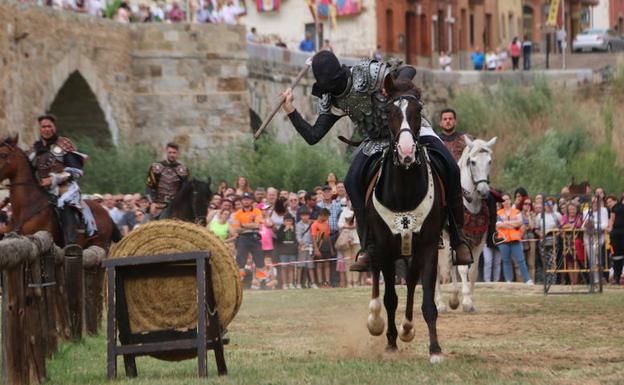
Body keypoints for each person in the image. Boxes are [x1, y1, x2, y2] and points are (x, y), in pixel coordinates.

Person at [280, 51, 473, 274]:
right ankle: (368, 246)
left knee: (449, 165)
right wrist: (290, 110)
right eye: (328, 86)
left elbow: (408, 69)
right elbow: (313, 136)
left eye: (334, 83)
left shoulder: (368, 73)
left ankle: (458, 239)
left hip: (409, 130)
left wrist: (392, 86)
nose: (332, 89)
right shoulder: (330, 98)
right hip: (376, 140)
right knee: (352, 182)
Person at [29, 114, 96, 246]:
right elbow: (28, 170)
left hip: (64, 188)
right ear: (40, 129)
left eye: (49, 126)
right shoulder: (34, 149)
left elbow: (76, 171)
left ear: (54, 127)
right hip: (41, 189)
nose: (46, 129)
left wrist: (54, 179)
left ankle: (71, 243)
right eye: (44, 126)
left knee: (65, 204)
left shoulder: (64, 144)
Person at [145, 142, 189, 219]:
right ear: (166, 152)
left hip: (175, 207)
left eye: (174, 153)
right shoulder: (156, 167)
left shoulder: (183, 170)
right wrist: (152, 203)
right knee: (144, 224)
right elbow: (149, 187)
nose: (172, 155)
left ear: (178, 153)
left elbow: (185, 190)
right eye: (170, 152)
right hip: (157, 205)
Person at [496, 193, 533, 284]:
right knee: (506, 261)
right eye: (503, 200)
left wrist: (506, 223)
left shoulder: (516, 211)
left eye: (507, 199)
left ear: (510, 200)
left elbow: (520, 222)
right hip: (503, 240)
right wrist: (512, 224)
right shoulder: (498, 213)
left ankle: (527, 279)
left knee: (521, 260)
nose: (505, 202)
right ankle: (509, 280)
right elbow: (498, 225)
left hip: (515, 239)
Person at [231, 192, 265, 281]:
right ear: (242, 201)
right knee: (240, 261)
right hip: (243, 238)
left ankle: (261, 281)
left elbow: (258, 226)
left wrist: (243, 225)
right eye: (244, 199)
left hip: (255, 237)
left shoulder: (257, 211)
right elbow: (236, 229)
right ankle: (240, 281)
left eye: (248, 199)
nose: (246, 201)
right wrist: (250, 225)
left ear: (252, 200)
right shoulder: (238, 213)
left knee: (259, 260)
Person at [295, 209, 319, 289]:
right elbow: (298, 235)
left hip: (310, 247)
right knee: (300, 266)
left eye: (307, 215)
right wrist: (300, 243)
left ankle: (312, 283)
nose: (305, 217)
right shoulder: (298, 225)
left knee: (310, 266)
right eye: (303, 215)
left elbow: (314, 235)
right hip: (302, 247)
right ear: (301, 216)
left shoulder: (312, 224)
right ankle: (298, 283)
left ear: (309, 216)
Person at [312, 208, 333, 287]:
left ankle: (327, 282)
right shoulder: (315, 224)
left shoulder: (326, 225)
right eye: (327, 216)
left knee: (327, 264)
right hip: (319, 246)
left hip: (326, 247)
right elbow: (313, 238)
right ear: (322, 215)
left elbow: (328, 237)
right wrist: (316, 249)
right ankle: (320, 282)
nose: (327, 218)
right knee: (319, 265)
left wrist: (331, 248)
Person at [276, 214, 298, 289]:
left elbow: (296, 239)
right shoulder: (281, 229)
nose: (288, 222)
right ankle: (284, 284)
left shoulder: (294, 228)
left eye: (290, 221)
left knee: (291, 267)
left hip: (292, 251)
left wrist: (292, 231)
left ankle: (291, 283)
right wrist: (285, 230)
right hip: (283, 252)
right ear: (284, 222)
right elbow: (278, 238)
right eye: (287, 221)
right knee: (284, 268)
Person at [606, 195, 624, 285]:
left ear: (615, 200)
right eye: (607, 202)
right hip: (616, 235)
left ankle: (618, 277)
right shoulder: (614, 209)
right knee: (616, 257)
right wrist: (610, 228)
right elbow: (612, 220)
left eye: (610, 201)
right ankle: (617, 276)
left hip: (620, 233)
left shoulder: (619, 206)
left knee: (618, 257)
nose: (608, 204)